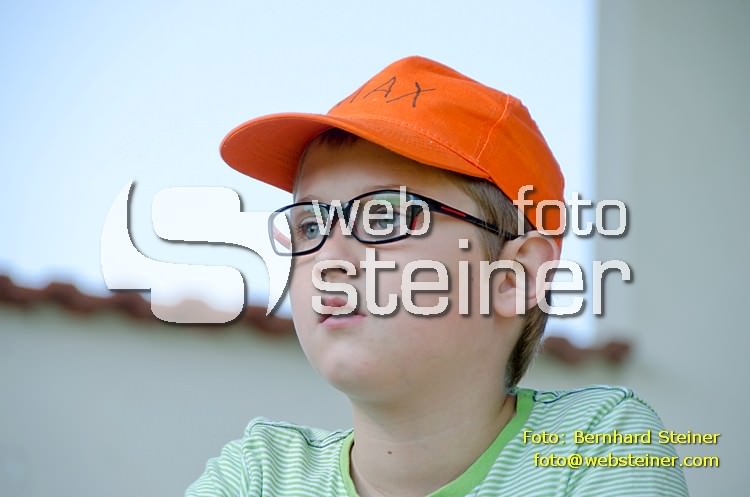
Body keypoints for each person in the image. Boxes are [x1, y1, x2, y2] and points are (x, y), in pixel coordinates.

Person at [185, 56, 688, 497]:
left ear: (513, 278)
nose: (329, 259)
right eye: (310, 225)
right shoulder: (258, 473)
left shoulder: (597, 444)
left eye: (384, 217)